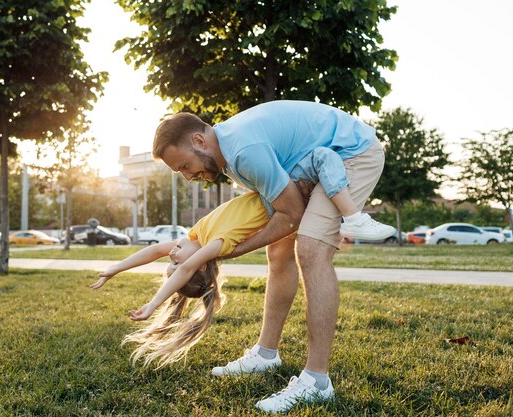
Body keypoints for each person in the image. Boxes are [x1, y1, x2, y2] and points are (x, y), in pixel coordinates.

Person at [152, 100, 388, 413]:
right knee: (278, 249)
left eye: (183, 166)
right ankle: (266, 354)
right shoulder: (230, 154)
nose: (187, 176)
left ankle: (317, 381)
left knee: (311, 247)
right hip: (317, 156)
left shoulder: (242, 152)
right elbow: (282, 211)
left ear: (199, 141)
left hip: (353, 152)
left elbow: (290, 215)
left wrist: (229, 250)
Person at [91, 142, 392, 368]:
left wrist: (115, 268)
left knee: (316, 157)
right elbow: (183, 270)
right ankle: (353, 216)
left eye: (170, 261)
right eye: (176, 263)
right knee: (323, 156)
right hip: (289, 194)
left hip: (274, 187)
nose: (172, 255)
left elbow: (154, 250)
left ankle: (350, 213)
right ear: (199, 265)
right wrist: (154, 303)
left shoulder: (197, 236)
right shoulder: (217, 245)